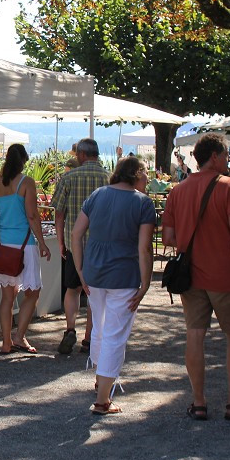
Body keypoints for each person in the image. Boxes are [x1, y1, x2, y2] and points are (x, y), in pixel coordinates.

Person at [161, 133, 230, 421]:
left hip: (191, 275)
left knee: (195, 335)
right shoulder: (229, 187)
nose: (228, 159)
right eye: (227, 154)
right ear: (215, 156)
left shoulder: (178, 191)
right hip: (226, 274)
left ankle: (199, 402)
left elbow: (168, 237)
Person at [71, 157, 155, 415]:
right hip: (123, 275)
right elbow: (144, 248)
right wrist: (146, 282)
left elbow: (76, 234)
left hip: (94, 273)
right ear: (137, 174)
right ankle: (102, 398)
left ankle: (101, 379)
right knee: (115, 335)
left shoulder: (97, 195)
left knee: (99, 327)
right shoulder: (142, 203)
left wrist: (80, 271)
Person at [0, 144, 51, 354]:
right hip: (23, 244)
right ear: (23, 160)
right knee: (33, 292)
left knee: (7, 296)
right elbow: (32, 215)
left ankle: (6, 342)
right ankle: (19, 336)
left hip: (1, 243)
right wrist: (42, 242)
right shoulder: (26, 182)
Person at [52, 138, 110, 355]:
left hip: (72, 244)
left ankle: (70, 329)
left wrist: (60, 241)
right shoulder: (109, 178)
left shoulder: (69, 177)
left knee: (72, 289)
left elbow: (58, 213)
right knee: (95, 292)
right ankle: (89, 338)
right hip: (100, 246)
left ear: (82, 155)